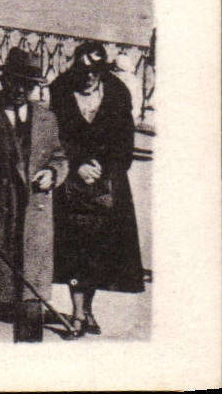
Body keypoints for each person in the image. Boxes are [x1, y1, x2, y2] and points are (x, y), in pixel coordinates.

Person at [0, 48, 69, 343]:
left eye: (29, 85)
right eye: (15, 82)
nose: (21, 90)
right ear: (4, 80)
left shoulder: (47, 120)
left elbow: (58, 156)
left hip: (33, 224)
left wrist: (54, 174)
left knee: (30, 301)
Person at [51, 42, 145, 335]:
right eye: (84, 70)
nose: (89, 77)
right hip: (70, 180)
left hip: (107, 183)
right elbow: (54, 135)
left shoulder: (117, 93)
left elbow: (125, 142)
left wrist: (104, 169)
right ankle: (78, 314)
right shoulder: (61, 90)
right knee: (74, 248)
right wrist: (77, 164)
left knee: (98, 251)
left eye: (95, 71)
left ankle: (87, 309)